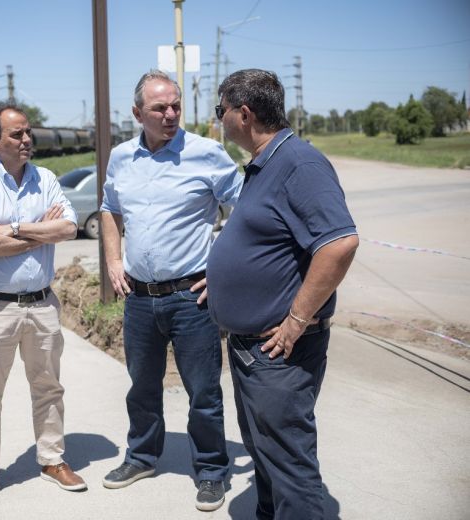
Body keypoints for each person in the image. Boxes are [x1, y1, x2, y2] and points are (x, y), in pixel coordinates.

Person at [207, 69, 359, 519]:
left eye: (221, 110)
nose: (219, 119)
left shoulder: (299, 164)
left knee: (291, 468)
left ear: (244, 113)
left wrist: (295, 320)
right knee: (268, 458)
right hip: (252, 351)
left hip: (279, 355)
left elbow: (339, 243)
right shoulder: (264, 164)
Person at [99, 70, 243, 512]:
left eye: (175, 105)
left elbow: (247, 209)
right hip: (139, 300)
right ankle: (142, 457)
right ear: (138, 113)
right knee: (141, 387)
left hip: (191, 299)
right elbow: (109, 208)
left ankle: (212, 471)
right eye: (160, 107)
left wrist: (220, 267)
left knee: (203, 391)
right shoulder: (122, 158)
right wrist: (113, 260)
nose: (170, 114)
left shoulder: (206, 153)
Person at [0, 102, 86, 512]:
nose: (26, 139)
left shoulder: (46, 179)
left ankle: (52, 460)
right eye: (16, 134)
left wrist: (14, 228)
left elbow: (68, 227)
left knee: (49, 388)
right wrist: (40, 233)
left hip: (42, 306)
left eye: (27, 132)